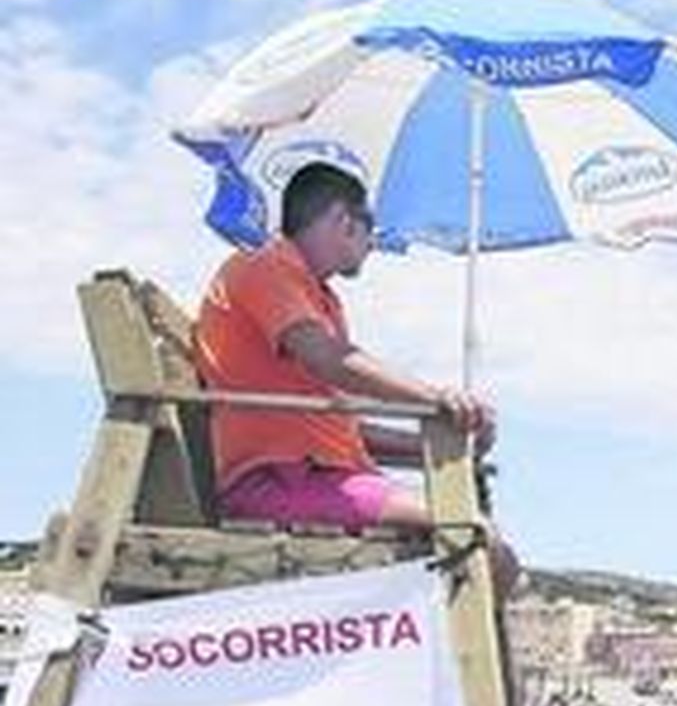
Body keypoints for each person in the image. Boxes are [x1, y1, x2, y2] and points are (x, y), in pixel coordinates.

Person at [194, 163, 519, 595]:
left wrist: (446, 444)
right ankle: (461, 660)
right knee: (476, 535)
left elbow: (339, 423)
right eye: (371, 232)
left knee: (490, 549)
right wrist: (439, 399)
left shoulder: (316, 295)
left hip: (316, 476)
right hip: (275, 482)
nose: (373, 246)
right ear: (344, 220)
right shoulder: (265, 263)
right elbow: (328, 359)